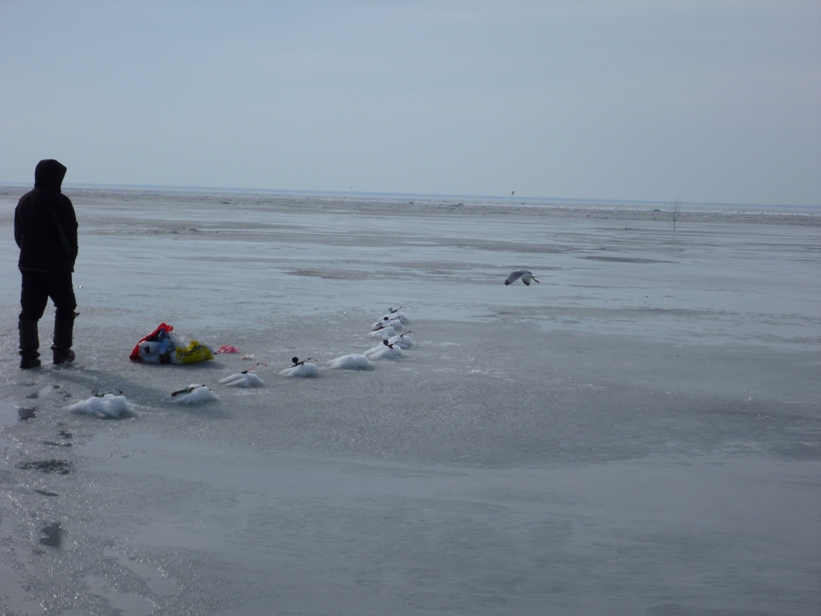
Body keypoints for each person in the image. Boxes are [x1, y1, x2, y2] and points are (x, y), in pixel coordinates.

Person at [14, 159, 78, 368]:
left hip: (29, 265)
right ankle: (61, 352)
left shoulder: (25, 200)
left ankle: (28, 356)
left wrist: (28, 253)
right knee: (66, 306)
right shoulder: (59, 201)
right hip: (56, 266)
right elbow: (68, 233)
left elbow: (18, 234)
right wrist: (70, 257)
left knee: (30, 310)